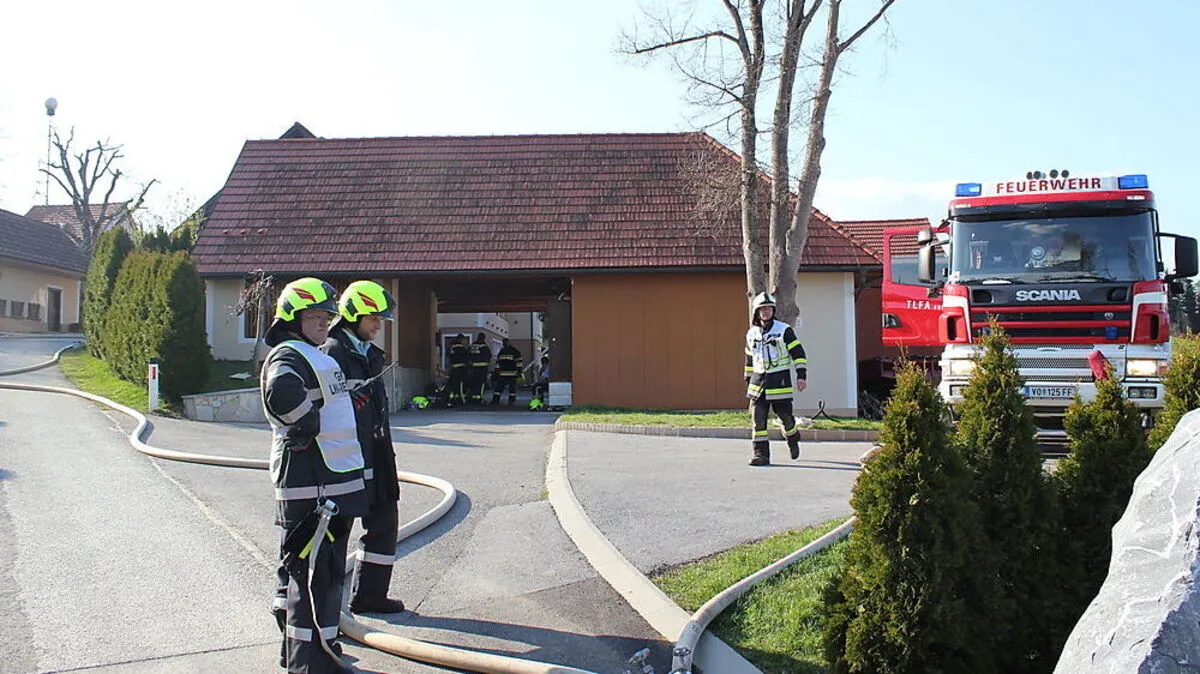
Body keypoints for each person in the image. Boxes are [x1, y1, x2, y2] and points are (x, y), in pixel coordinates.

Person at [262, 277, 368, 673]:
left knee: (322, 572)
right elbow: (282, 395)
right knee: (307, 575)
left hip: (332, 479)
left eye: (327, 316)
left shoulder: (314, 354)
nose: (324, 323)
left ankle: (323, 647)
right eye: (315, 316)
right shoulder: (290, 355)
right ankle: (307, 662)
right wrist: (306, 424)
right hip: (311, 482)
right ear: (293, 318)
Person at [322, 280, 407, 616]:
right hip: (346, 461)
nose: (378, 324)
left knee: (385, 522)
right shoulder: (333, 353)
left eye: (381, 319)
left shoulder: (371, 355)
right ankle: (327, 608)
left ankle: (370, 595)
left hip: (378, 454)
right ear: (354, 313)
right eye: (373, 317)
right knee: (338, 532)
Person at [744, 292, 806, 466]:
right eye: (762, 309)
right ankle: (760, 454)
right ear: (757, 312)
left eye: (768, 309)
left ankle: (793, 437)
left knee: (786, 417)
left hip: (780, 383)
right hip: (758, 384)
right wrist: (748, 380)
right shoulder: (751, 333)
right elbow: (749, 359)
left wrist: (801, 376)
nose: (765, 312)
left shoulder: (784, 330)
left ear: (773, 310)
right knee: (758, 420)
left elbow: (798, 354)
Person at [492, 338, 523, 406]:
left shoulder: (502, 351)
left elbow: (498, 364)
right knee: (512, 389)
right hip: (511, 373)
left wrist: (496, 372)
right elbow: (519, 362)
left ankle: (495, 401)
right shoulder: (514, 351)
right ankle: (511, 402)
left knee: (499, 388)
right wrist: (519, 371)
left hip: (503, 373)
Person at [468, 332, 492, 405]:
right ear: (483, 338)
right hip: (482, 368)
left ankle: (473, 398)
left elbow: (468, 355)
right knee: (481, 384)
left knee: (473, 383)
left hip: (473, 368)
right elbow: (489, 355)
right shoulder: (484, 346)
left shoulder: (472, 345)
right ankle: (479, 398)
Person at [446, 334, 470, 405]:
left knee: (454, 385)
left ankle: (454, 400)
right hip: (460, 370)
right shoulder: (461, 347)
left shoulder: (451, 346)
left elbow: (449, 355)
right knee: (461, 386)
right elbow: (465, 357)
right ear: (461, 339)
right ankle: (462, 401)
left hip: (453, 369)